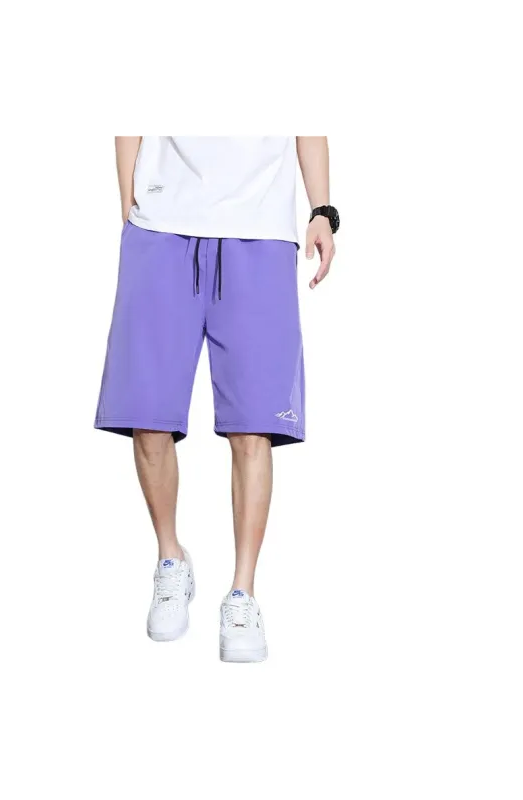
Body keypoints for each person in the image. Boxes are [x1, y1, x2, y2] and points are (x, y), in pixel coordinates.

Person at [95, 136, 339, 662]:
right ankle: (170, 559)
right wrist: (129, 210)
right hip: (161, 225)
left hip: (260, 229)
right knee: (147, 417)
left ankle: (242, 593)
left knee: (253, 427)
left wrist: (322, 209)